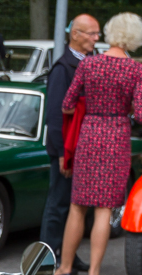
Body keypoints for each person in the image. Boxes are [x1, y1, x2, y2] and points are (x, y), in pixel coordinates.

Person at [58, 12, 142, 275]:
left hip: (89, 132)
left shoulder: (89, 65)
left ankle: (63, 268)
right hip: (116, 135)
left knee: (77, 205)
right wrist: (128, 108)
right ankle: (94, 273)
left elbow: (66, 104)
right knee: (104, 208)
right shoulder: (135, 70)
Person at [41, 14, 98, 252]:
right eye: (92, 33)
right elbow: (55, 114)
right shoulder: (63, 68)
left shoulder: (91, 62)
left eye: (98, 34)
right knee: (59, 203)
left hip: (82, 145)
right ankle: (48, 256)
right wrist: (64, 152)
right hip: (66, 148)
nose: (96, 39)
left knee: (78, 204)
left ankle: (68, 255)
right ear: (75, 34)